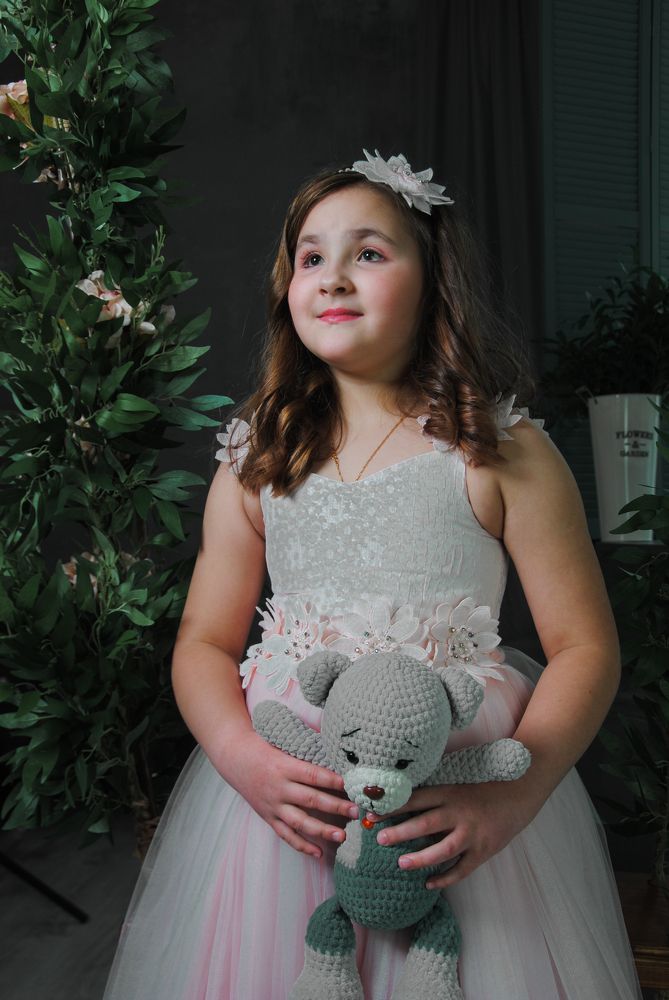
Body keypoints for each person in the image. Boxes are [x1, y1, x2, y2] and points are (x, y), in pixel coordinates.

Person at [102, 150, 642, 1000]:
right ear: (287, 288)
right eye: (311, 257)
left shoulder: (499, 450)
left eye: (369, 253)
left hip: (450, 792)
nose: (333, 276)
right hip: (291, 801)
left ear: (432, 282)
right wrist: (242, 759)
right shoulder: (256, 458)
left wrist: (509, 801)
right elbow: (203, 640)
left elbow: (584, 647)